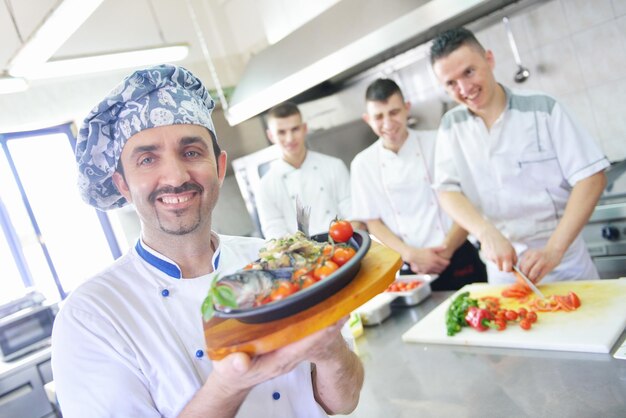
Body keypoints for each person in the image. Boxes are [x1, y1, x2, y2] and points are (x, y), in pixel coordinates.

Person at [51, 65, 364, 417]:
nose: (175, 176)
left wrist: (329, 351)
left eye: (190, 152)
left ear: (219, 166)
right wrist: (229, 385)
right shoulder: (91, 317)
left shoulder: (274, 262)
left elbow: (344, 401)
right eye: (147, 159)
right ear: (123, 185)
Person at [429, 27, 609, 284]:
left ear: (489, 59)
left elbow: (592, 178)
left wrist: (553, 250)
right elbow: (447, 191)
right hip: (503, 268)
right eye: (451, 83)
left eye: (469, 72)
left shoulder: (543, 108)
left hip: (565, 263)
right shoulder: (450, 125)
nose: (464, 88)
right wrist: (485, 232)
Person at [350, 78, 487, 291]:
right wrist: (411, 254)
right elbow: (373, 222)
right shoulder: (362, 164)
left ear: (407, 109)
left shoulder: (438, 142)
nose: (387, 123)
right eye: (379, 116)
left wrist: (447, 249)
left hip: (457, 254)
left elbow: (466, 199)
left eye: (394, 112)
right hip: (410, 265)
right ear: (367, 119)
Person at [255, 102, 354, 239]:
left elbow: (353, 214)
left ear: (304, 128)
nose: (290, 138)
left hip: (344, 247)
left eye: (295, 129)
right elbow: (274, 232)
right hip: (301, 256)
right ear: (271, 136)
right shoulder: (265, 185)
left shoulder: (334, 166)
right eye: (281, 132)